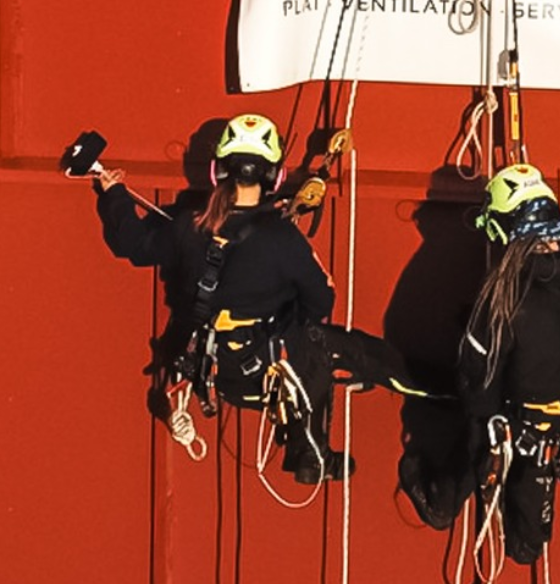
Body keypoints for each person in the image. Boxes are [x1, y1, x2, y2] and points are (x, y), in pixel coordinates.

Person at [91, 113, 387, 484]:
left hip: (215, 377)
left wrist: (113, 195)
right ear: (274, 176)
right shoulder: (282, 239)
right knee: (339, 348)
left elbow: (131, 244)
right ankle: (311, 450)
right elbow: (321, 301)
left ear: (219, 169)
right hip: (271, 372)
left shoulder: (189, 225)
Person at [398, 163, 560, 561]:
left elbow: (477, 382)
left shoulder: (502, 302)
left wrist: (493, 411)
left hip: (527, 434)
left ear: (501, 232)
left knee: (481, 426)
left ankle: (442, 501)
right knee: (526, 545)